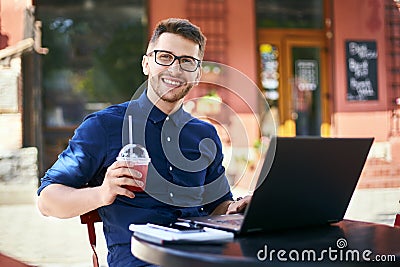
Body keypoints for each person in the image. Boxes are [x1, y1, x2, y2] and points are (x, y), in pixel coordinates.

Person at [37, 18, 250, 267]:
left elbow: (217, 206)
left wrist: (239, 207)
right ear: (146, 63)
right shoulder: (104, 127)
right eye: (165, 57)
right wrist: (102, 193)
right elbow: (47, 201)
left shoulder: (205, 135)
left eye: (186, 61)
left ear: (197, 73)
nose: (175, 69)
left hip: (199, 258)